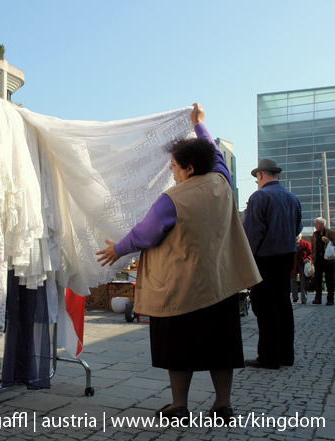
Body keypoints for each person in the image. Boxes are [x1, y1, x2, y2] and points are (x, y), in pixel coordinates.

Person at [96, 103, 261, 422]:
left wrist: (117, 249)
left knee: (178, 349)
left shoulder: (172, 200)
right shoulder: (221, 183)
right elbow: (216, 154)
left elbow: (144, 235)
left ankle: (179, 405)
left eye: (173, 165)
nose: (170, 170)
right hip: (221, 284)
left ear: (187, 168)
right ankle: (223, 404)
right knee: (222, 348)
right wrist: (200, 124)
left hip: (182, 290)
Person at [243, 158, 302, 370]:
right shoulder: (292, 198)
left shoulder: (259, 196)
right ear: (277, 175)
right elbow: (297, 228)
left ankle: (269, 356)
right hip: (286, 257)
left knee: (264, 307)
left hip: (265, 259)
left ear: (260, 175)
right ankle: (286, 355)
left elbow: (253, 234)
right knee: (283, 306)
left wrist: (247, 261)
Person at [311, 217, 335, 305]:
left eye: (317, 224)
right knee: (317, 279)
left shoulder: (330, 233)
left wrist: (329, 241)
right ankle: (318, 298)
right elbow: (313, 247)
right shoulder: (315, 234)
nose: (315, 226)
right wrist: (313, 259)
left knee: (330, 279)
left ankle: (330, 299)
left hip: (328, 260)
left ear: (322, 224)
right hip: (318, 260)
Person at [291, 234, 312, 304]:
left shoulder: (306, 244)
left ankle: (304, 298)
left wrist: (307, 258)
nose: (296, 239)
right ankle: (295, 297)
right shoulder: (291, 244)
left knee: (303, 281)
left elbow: (311, 253)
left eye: (298, 237)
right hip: (294, 264)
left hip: (303, 264)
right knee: (292, 281)